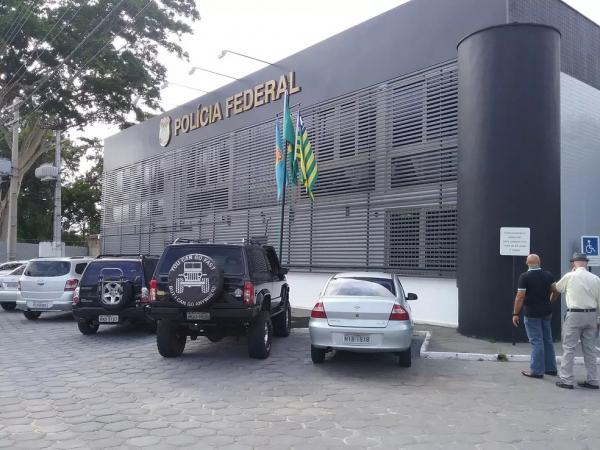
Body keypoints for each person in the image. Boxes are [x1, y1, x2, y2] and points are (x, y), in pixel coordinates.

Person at [553, 253, 600, 390]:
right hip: (591, 315)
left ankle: (567, 380)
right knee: (590, 349)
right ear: (586, 263)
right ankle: (593, 380)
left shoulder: (570, 276)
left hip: (574, 315)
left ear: (574, 263)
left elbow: (557, 288)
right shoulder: (596, 279)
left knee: (569, 348)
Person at [512, 254, 557, 379]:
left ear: (527, 263)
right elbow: (556, 290)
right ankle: (551, 368)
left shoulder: (524, 277)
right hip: (546, 312)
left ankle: (537, 371)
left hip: (532, 313)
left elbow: (520, 296)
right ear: (539, 262)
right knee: (547, 340)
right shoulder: (548, 275)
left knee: (536, 341)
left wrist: (515, 313)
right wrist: (550, 301)